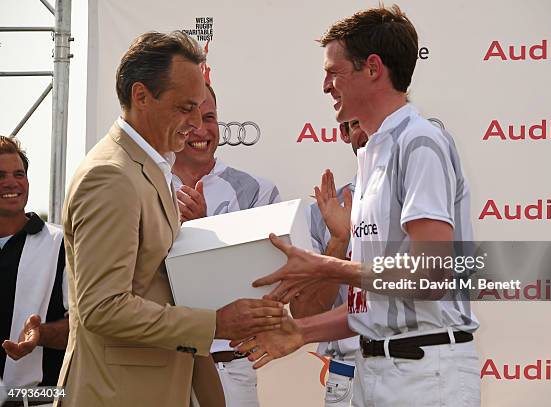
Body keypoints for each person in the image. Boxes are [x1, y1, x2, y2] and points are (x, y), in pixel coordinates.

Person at [234, 6, 480, 407]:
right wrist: (301, 331)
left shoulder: (420, 141)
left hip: (425, 376)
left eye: (334, 72)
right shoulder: (372, 156)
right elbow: (373, 306)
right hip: (376, 371)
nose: (326, 86)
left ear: (373, 68)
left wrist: (324, 267)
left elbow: (430, 277)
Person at [57, 31, 285, 407]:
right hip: (119, 394)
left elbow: (159, 286)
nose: (196, 123)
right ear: (141, 96)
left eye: (200, 108)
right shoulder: (111, 176)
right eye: (185, 108)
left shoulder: (147, 169)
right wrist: (215, 323)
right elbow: (103, 307)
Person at [172, 83, 280, 407]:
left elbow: (260, 283)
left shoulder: (256, 190)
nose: (201, 130)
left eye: (209, 117)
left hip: (229, 367)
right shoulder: (145, 187)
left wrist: (201, 230)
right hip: (163, 365)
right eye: (190, 120)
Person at [290, 120, 366, 407]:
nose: (367, 130)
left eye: (375, 118)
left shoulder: (418, 199)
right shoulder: (321, 212)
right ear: (345, 133)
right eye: (356, 123)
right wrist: (338, 241)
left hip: (412, 371)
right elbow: (304, 311)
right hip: (347, 375)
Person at [0, 136, 68, 407]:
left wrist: (41, 334)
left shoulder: (60, 243)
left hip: (39, 400)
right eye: (0, 175)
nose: (11, 182)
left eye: (19, 174)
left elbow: (84, 326)